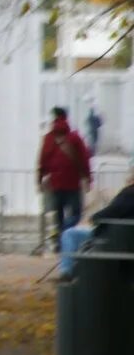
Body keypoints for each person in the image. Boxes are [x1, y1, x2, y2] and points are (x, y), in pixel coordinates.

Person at [59, 168, 134, 276]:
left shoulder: (129, 194)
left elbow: (112, 212)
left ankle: (66, 271)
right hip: (125, 238)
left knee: (70, 234)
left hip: (113, 239)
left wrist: (92, 218)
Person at [39, 107, 93, 249]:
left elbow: (42, 160)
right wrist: (88, 178)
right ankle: (65, 234)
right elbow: (84, 159)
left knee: (58, 215)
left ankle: (60, 239)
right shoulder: (75, 137)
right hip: (73, 183)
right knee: (76, 213)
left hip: (55, 184)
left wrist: (39, 179)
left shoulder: (49, 138)